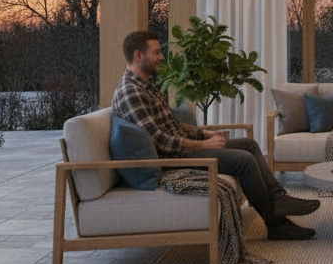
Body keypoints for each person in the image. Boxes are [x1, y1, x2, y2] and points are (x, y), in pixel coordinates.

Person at [112, 30, 320, 240]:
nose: (162, 57)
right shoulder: (131, 92)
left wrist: (202, 133)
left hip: (179, 151)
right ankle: (275, 224)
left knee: (249, 144)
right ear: (139, 55)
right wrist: (202, 146)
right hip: (171, 160)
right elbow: (159, 141)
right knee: (244, 161)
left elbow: (171, 125)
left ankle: (278, 198)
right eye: (156, 52)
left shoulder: (145, 86)